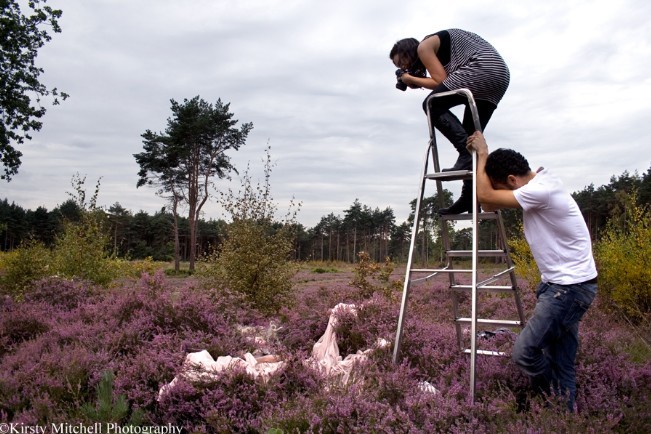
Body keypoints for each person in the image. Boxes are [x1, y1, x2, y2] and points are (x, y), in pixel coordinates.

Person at [466, 131, 598, 412]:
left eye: (505, 186)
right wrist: (486, 164)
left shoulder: (541, 190)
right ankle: (564, 416)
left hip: (568, 289)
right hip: (564, 286)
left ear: (512, 181)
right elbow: (488, 202)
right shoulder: (538, 181)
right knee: (562, 361)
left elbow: (484, 195)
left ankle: (551, 401)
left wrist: (483, 155)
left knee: (524, 353)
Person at [389, 29, 510, 214]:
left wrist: (409, 78)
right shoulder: (437, 49)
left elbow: (440, 80)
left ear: (409, 52)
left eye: (402, 62)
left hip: (481, 67)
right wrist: (417, 79)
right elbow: (444, 80)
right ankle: (469, 199)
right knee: (471, 134)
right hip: (498, 75)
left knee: (431, 104)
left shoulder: (424, 47)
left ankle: (465, 153)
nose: (404, 68)